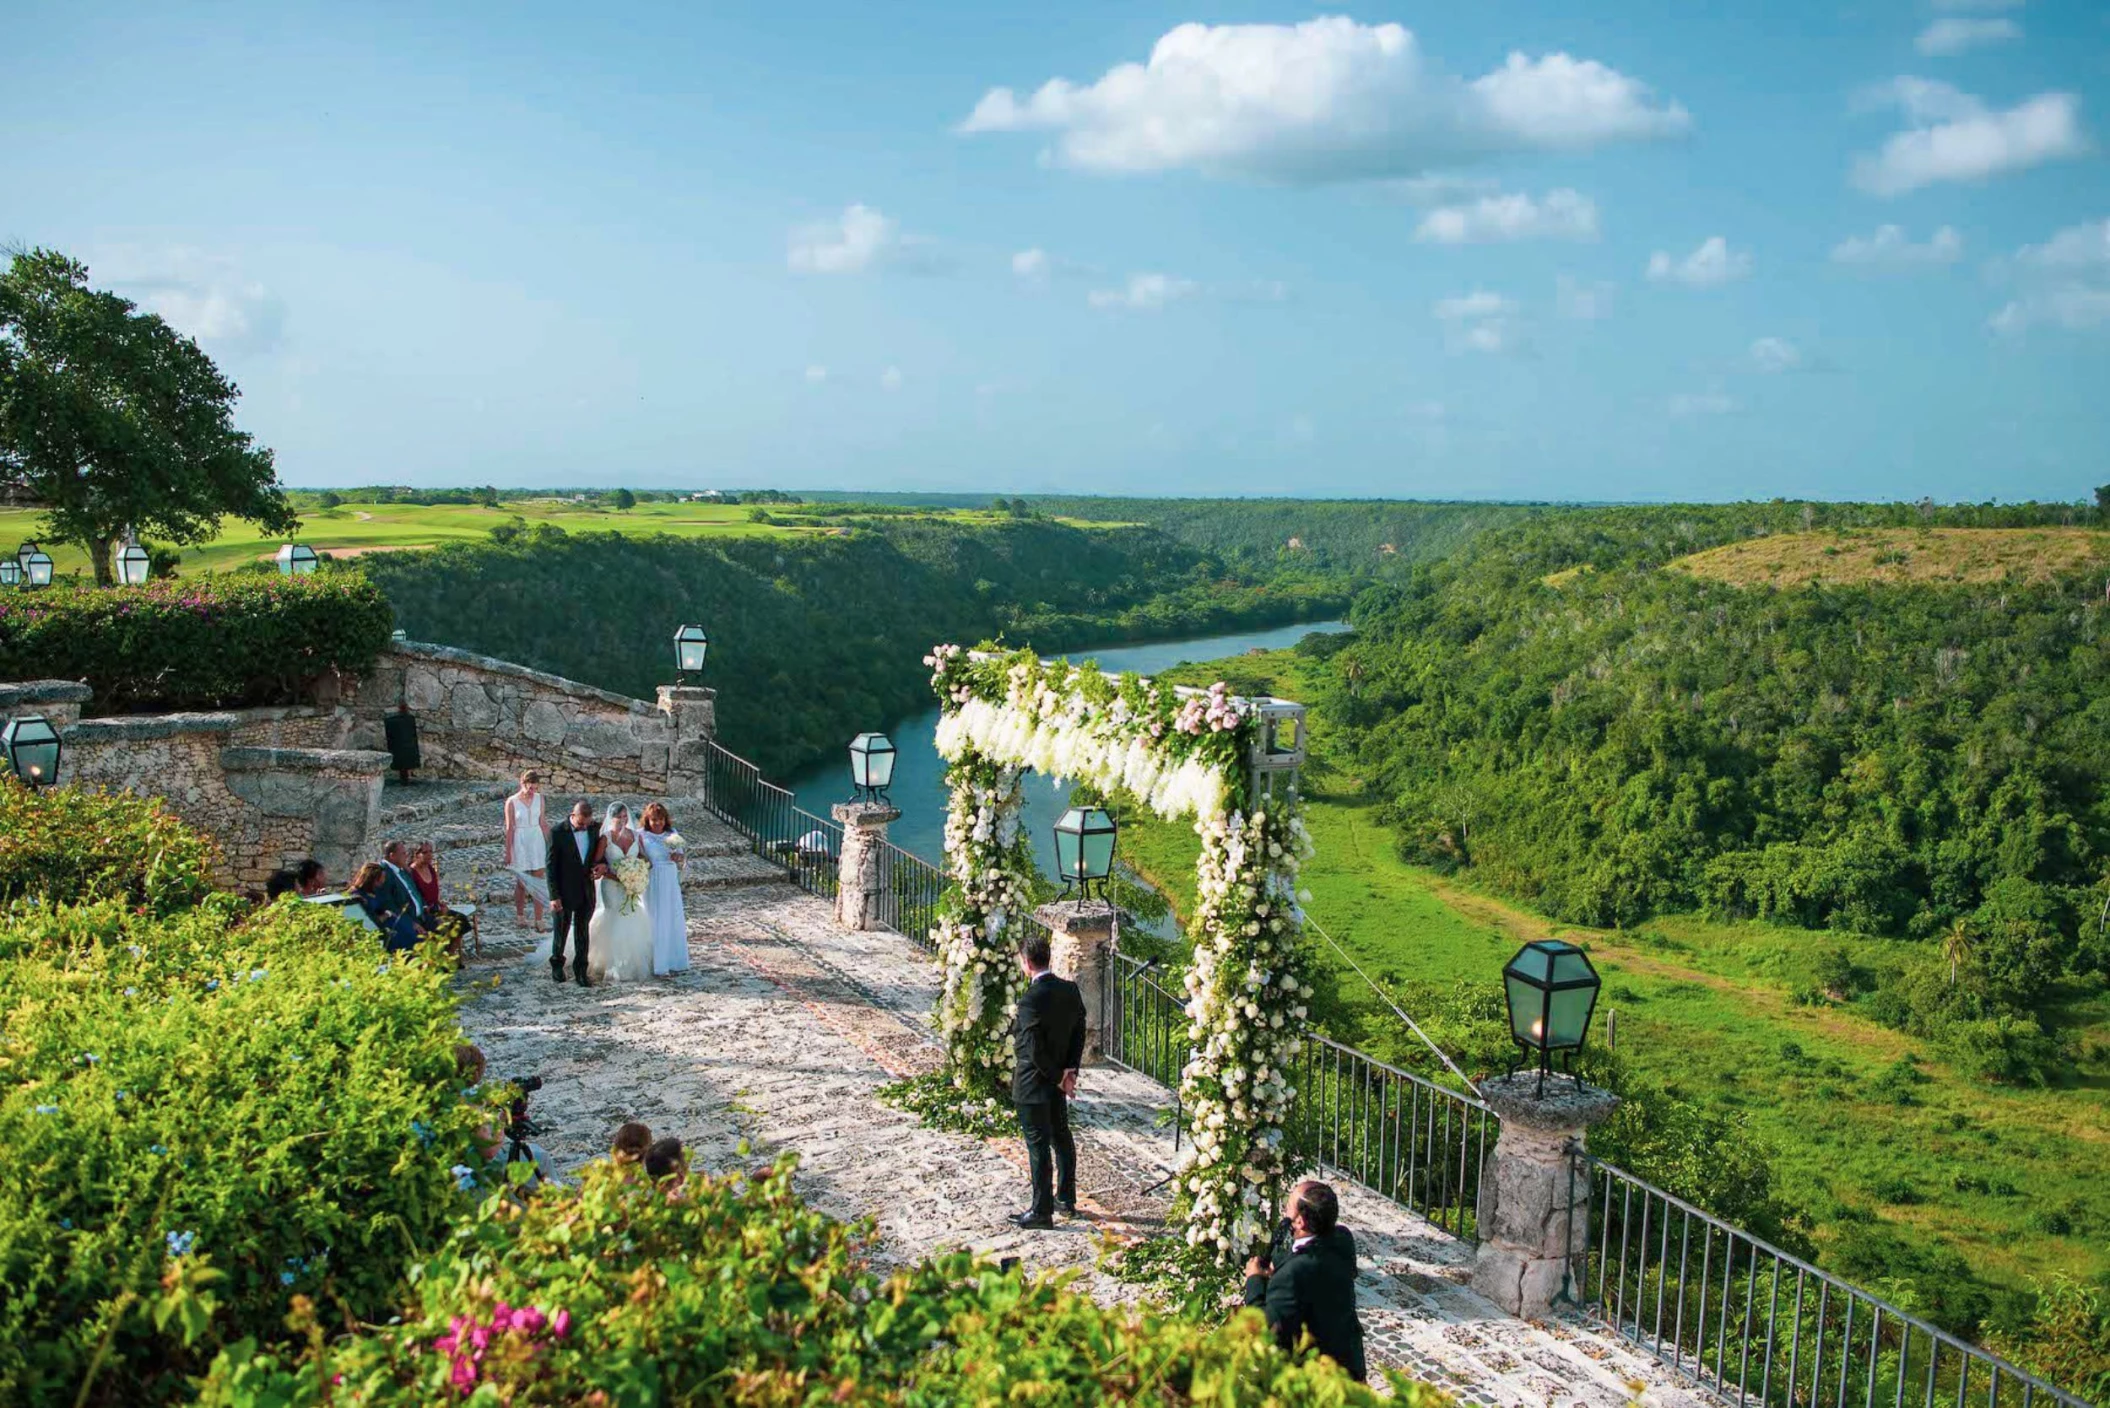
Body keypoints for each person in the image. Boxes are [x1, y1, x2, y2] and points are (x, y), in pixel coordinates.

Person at [1241, 1180, 1367, 1383]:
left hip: (1317, 1378)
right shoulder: (1343, 1239)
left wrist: (1254, 1280)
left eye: (1288, 1207)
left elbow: (1268, 1329)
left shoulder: (1292, 1274)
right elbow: (1307, 1258)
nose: (1285, 1212)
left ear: (1299, 1222)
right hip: (1349, 1363)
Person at [1008, 930, 1086, 1230]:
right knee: (1061, 1137)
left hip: (1033, 1084)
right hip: (1058, 1081)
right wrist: (1070, 1071)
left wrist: (1056, 1077)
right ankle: (1065, 1197)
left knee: (1038, 1146)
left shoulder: (1030, 1000)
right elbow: (1080, 1031)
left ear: (1026, 963)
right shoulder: (1070, 990)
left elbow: (1033, 1049)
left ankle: (1041, 1210)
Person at [587, 803, 655, 981]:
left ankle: (629, 962)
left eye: (626, 817)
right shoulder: (606, 838)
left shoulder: (635, 835)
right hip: (611, 885)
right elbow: (597, 864)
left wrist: (640, 870)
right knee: (614, 918)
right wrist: (613, 874)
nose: (623, 821)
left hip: (630, 886)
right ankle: (612, 963)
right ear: (612, 818)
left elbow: (642, 857)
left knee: (631, 919)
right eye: (620, 817)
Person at [546, 799, 600, 986]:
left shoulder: (594, 829)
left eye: (587, 823)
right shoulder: (557, 832)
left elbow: (600, 855)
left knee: (583, 931)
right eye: (580, 823)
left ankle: (581, 970)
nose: (584, 826)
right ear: (573, 815)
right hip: (563, 890)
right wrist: (554, 896)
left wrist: (600, 866)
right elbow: (550, 866)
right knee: (561, 930)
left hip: (586, 889)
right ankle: (557, 964)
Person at [638, 802, 688, 977]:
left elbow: (681, 860)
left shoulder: (673, 834)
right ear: (647, 820)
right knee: (652, 917)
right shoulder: (641, 835)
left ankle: (671, 959)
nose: (657, 823)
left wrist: (678, 857)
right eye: (653, 820)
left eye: (660, 819)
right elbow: (638, 856)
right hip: (652, 878)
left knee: (669, 917)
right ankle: (653, 961)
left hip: (669, 878)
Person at [408, 841, 473, 957]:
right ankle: (438, 958)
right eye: (425, 852)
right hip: (424, 912)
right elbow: (415, 896)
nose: (429, 855)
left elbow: (434, 891)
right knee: (440, 926)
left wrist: (440, 904)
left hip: (436, 907)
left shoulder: (430, 869)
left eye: (430, 852)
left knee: (461, 921)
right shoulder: (412, 873)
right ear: (416, 854)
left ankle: (450, 956)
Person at [503, 771, 548, 929]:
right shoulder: (512, 802)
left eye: (535, 788)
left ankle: (539, 919)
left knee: (537, 880)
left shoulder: (540, 799)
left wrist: (550, 844)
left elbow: (542, 822)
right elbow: (509, 828)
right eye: (530, 788)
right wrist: (508, 851)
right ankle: (520, 916)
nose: (532, 792)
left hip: (536, 840)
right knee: (522, 882)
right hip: (520, 841)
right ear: (523, 784)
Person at [351, 862, 421, 953]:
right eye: (382, 878)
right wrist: (387, 915)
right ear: (374, 879)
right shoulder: (359, 897)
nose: (384, 880)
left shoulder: (375, 891)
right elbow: (370, 922)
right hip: (382, 929)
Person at [378, 840, 436, 938]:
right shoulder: (384, 874)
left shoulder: (401, 869)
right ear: (392, 856)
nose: (406, 856)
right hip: (406, 921)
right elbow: (389, 904)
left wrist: (424, 906)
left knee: (451, 926)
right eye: (403, 853)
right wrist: (411, 923)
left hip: (420, 916)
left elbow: (414, 891)